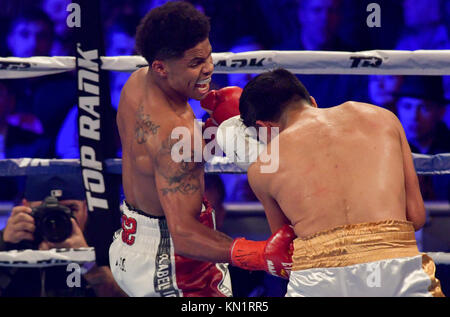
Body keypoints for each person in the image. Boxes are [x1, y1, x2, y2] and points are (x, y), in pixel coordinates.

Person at [109, 1, 294, 297]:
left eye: (208, 56)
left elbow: (166, 160)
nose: (208, 68)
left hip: (131, 240)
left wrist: (209, 130)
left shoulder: (136, 82)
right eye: (195, 63)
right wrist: (259, 254)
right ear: (161, 67)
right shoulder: (178, 130)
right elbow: (183, 235)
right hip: (174, 264)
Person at [236, 68, 444, 296]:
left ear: (264, 127)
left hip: (319, 280)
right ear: (312, 102)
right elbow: (416, 217)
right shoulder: (383, 118)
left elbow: (286, 248)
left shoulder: (263, 166)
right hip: (395, 271)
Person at [0, 172, 126, 297]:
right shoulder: (12, 239)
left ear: (85, 207)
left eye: (70, 210)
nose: (55, 222)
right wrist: (4, 248)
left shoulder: (109, 245)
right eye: (45, 211)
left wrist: (88, 263)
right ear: (25, 206)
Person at [395, 76, 450, 202]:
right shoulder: (387, 147)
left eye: (425, 108)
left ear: (440, 111)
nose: (414, 116)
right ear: (398, 108)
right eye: (407, 106)